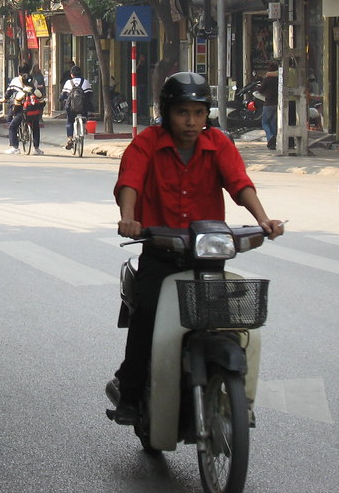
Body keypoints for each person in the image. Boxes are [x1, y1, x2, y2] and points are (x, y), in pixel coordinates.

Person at [110, 72, 284, 424]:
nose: (191, 122)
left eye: (199, 113)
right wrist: (129, 217)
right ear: (167, 112)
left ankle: (231, 397)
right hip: (161, 251)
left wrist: (264, 220)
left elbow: (239, 183)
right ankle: (128, 393)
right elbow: (130, 180)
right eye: (182, 113)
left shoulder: (218, 143)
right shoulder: (148, 142)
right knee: (146, 321)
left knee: (224, 325)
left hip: (207, 253)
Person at [4, 68, 44, 155]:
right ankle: (36, 149)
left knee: (12, 127)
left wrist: (14, 113)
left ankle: (15, 147)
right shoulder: (36, 91)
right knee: (36, 129)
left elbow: (16, 106)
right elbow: (42, 103)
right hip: (34, 114)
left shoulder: (21, 93)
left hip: (23, 114)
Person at [60, 65, 93, 149]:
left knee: (69, 122)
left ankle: (70, 138)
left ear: (71, 74)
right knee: (85, 116)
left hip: (71, 108)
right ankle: (84, 127)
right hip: (83, 107)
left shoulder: (68, 82)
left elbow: (63, 95)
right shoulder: (85, 82)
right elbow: (90, 94)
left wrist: (61, 99)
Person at [259, 59, 279, 149]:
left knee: (265, 122)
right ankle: (273, 142)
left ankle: (270, 137)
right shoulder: (279, 78)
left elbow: (261, 90)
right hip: (276, 103)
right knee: (273, 123)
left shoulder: (267, 79)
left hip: (268, 103)